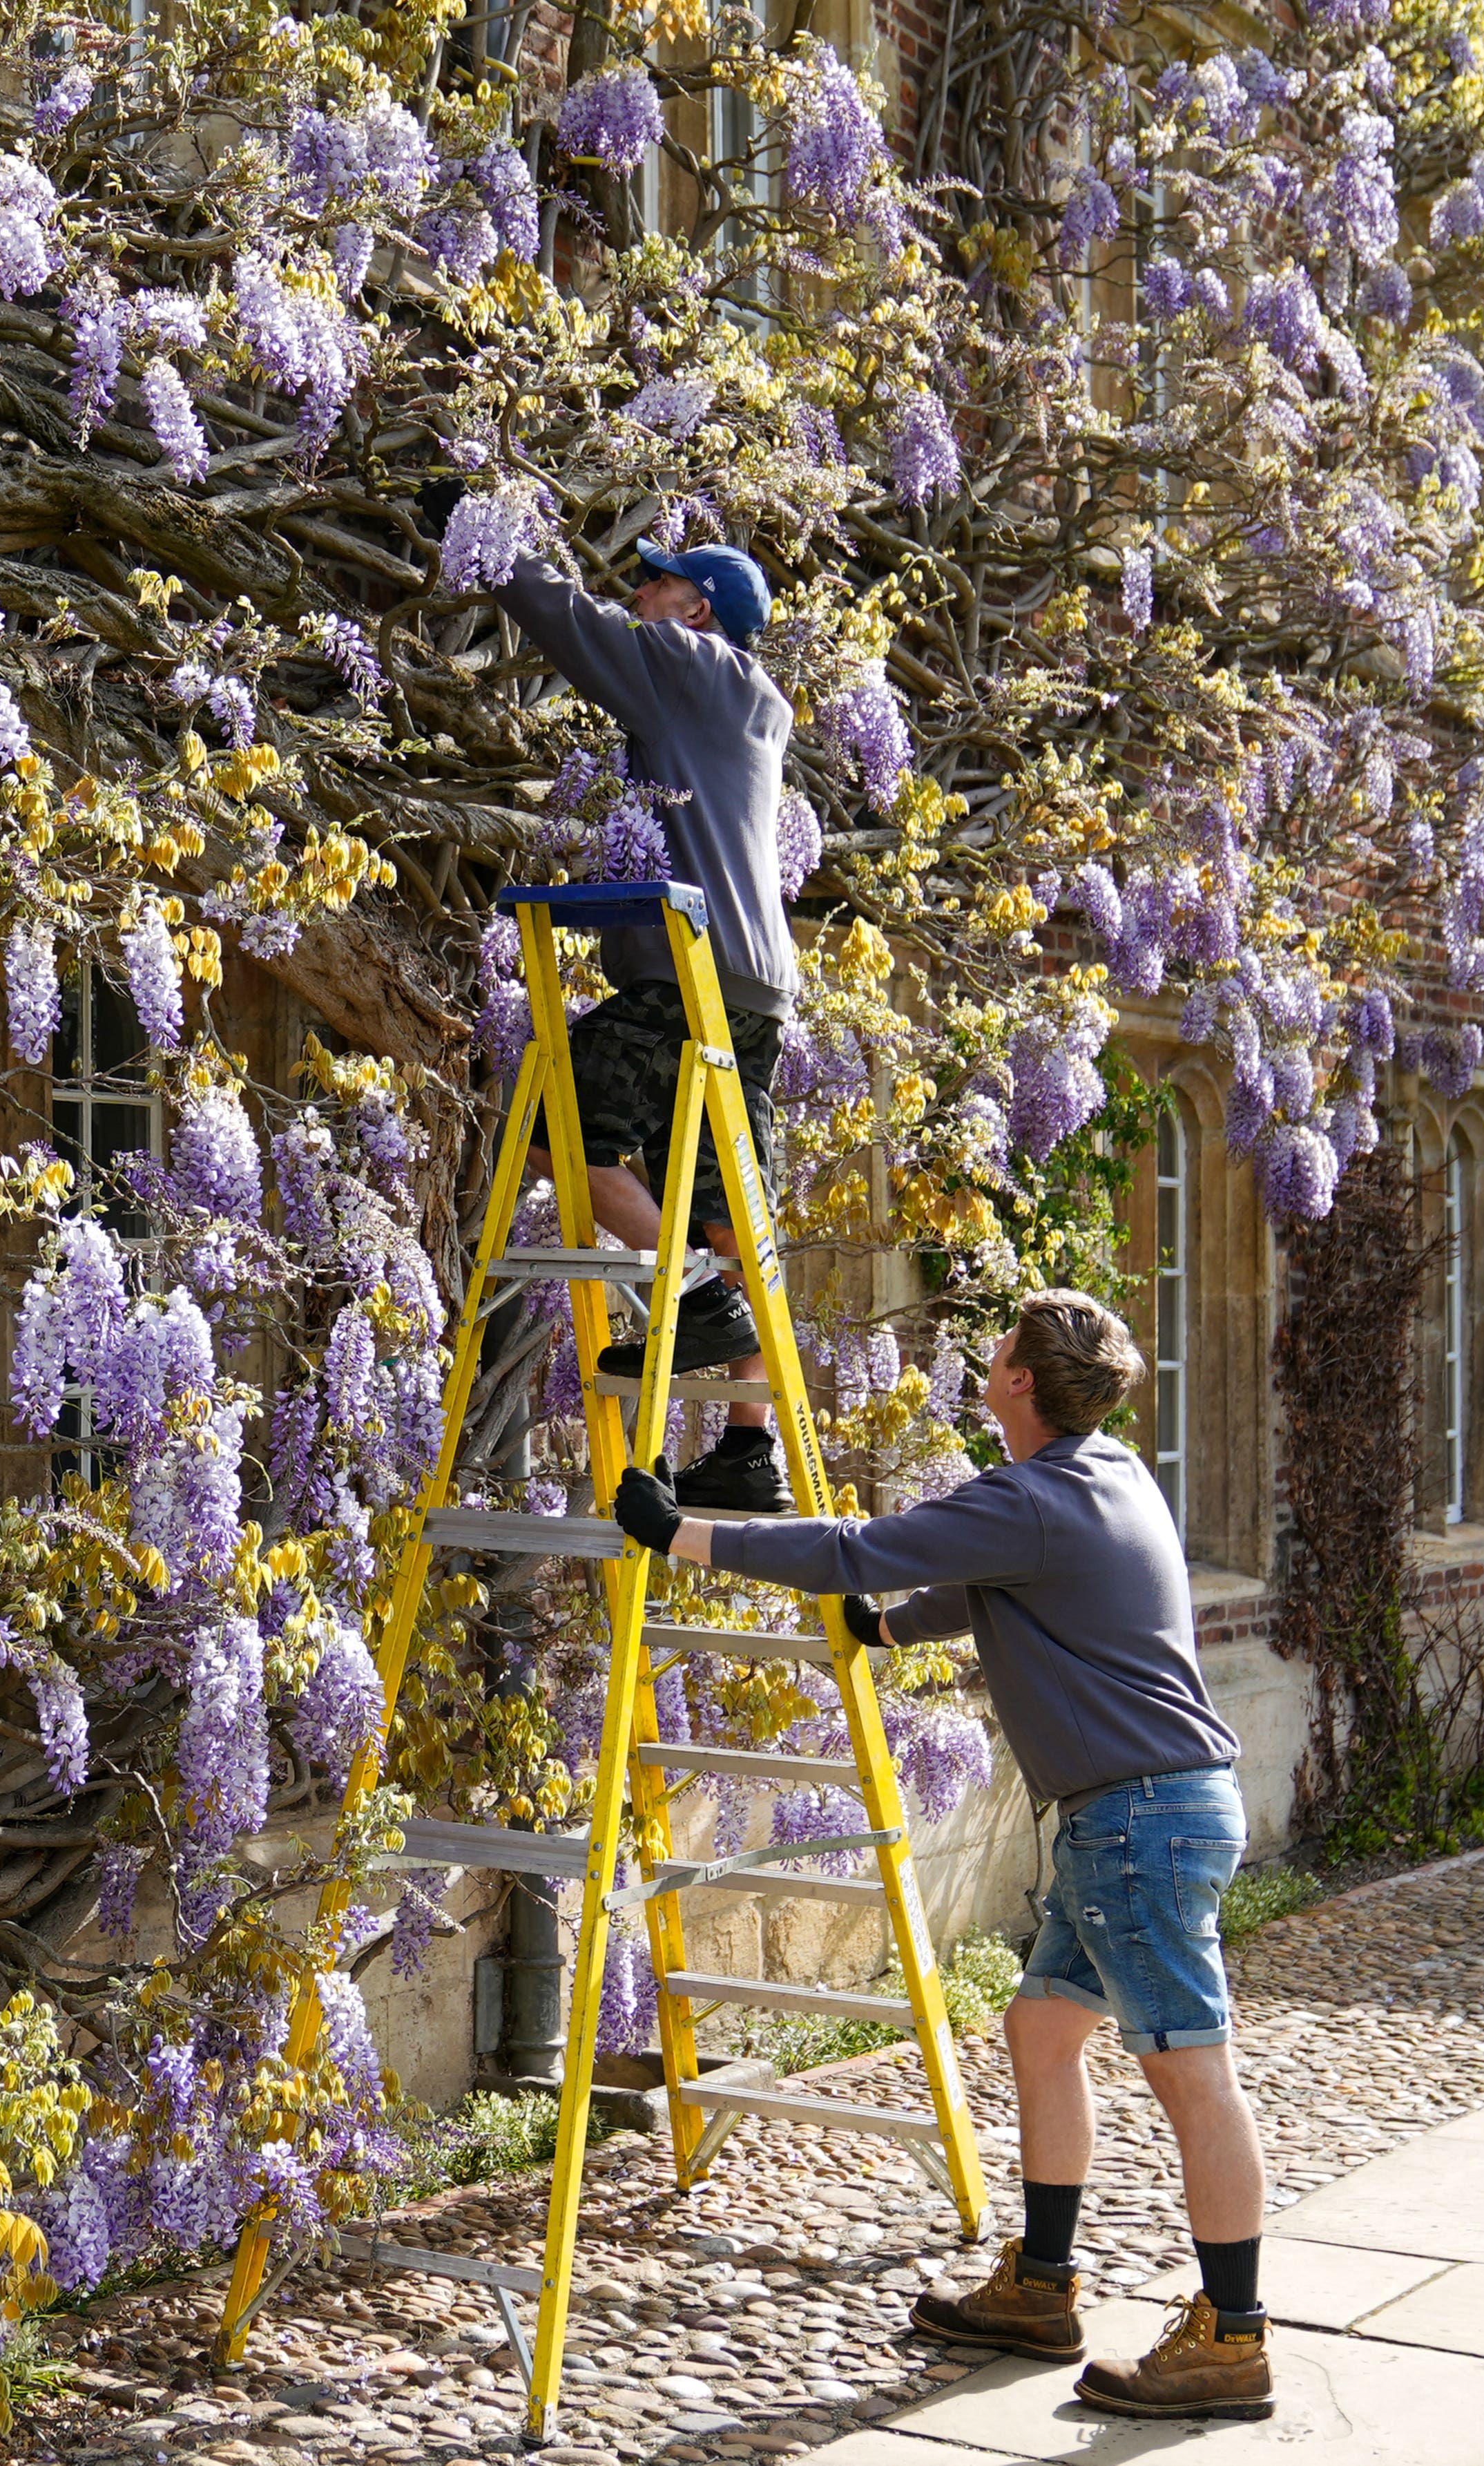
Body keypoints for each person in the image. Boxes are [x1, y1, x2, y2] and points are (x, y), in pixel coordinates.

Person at [609, 1290, 1275, 2424]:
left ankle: (1235, 2336)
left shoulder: (1035, 1494)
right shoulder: (1101, 1477)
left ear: (1022, 1381)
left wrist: (682, 1532)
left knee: (1190, 2070)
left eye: (1000, 1345)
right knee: (1042, 2026)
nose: (988, 1354)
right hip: (1135, 1814)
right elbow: (980, 1587)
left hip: (1139, 1822)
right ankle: (1042, 2285)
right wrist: (886, 1628)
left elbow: (853, 1547)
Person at [488, 528, 800, 1510]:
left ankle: (695, 1300)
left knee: (557, 1132)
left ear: (697, 608)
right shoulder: (758, 707)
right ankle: (752, 1454)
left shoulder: (687, 663)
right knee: (722, 1209)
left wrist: (491, 531)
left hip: (683, 968)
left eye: (659, 583)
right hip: (756, 990)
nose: (641, 593)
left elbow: (574, 627)